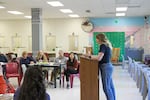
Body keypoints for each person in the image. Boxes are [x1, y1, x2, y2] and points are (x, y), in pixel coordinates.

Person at [86, 33, 116, 100]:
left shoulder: (102, 45)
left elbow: (99, 58)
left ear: (99, 39)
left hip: (105, 67)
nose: (96, 40)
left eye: (96, 38)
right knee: (110, 86)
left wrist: (89, 56)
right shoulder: (107, 45)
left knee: (106, 88)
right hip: (108, 66)